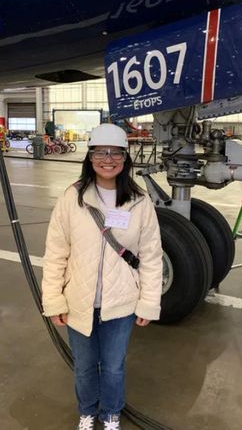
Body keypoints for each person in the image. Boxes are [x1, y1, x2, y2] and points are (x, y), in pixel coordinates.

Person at [41, 123, 163, 430]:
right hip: (78, 301)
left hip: (121, 303)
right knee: (83, 367)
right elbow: (56, 252)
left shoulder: (139, 201)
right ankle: (87, 412)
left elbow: (150, 256)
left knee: (112, 366)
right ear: (90, 156)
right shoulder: (72, 198)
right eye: (99, 152)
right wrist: (54, 299)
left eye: (114, 153)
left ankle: (110, 414)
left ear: (125, 157)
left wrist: (148, 302)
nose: (107, 159)